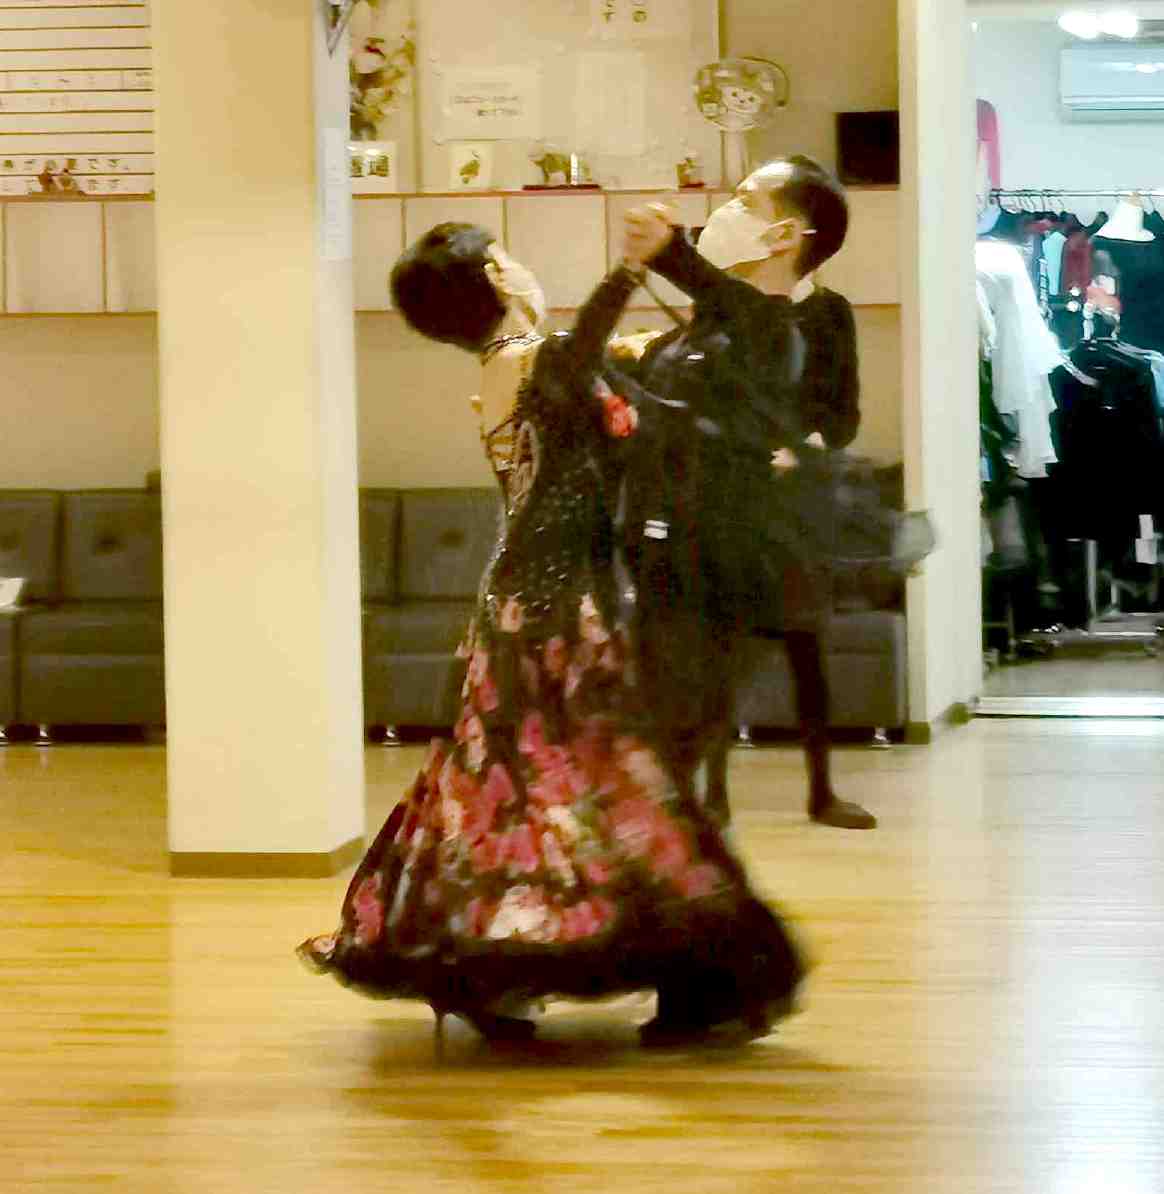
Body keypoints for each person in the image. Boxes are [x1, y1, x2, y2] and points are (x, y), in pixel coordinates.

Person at [298, 221, 805, 1048]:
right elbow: (582, 364)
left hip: (550, 603)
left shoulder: (532, 363)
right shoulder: (527, 359)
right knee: (570, 785)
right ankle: (523, 970)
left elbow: (633, 413)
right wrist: (627, 270)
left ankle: (501, 975)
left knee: (537, 788)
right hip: (551, 610)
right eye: (510, 256)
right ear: (500, 276)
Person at [618, 156, 879, 831]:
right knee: (712, 649)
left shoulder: (819, 313)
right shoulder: (722, 310)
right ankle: (711, 793)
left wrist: (801, 446)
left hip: (786, 502)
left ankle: (820, 790)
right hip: (713, 501)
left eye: (744, 199)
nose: (724, 211)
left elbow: (839, 413)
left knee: (799, 641)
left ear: (788, 234)